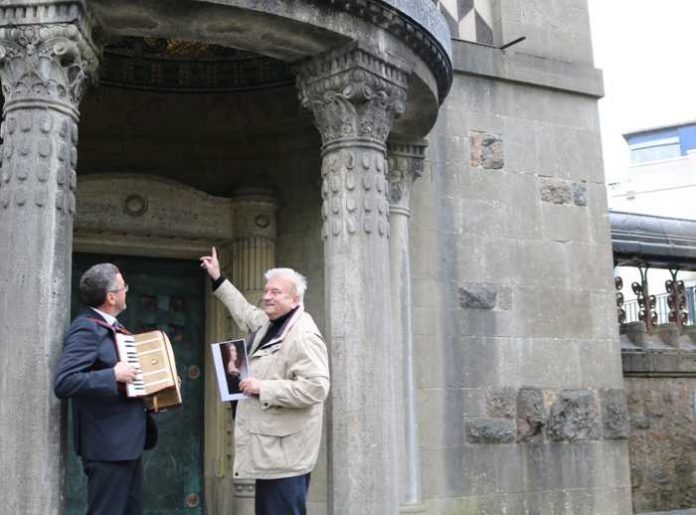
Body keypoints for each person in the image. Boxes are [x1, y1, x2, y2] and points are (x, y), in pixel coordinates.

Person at [200, 247, 330, 515]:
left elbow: (316, 388)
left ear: (295, 299)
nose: (267, 297)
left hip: (286, 455)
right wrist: (218, 278)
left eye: (275, 292)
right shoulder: (270, 324)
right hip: (271, 451)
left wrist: (263, 387)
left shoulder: (303, 335)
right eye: (267, 290)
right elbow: (245, 312)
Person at [54, 263, 155, 515]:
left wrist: (157, 387)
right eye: (124, 288)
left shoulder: (114, 328)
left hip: (128, 443)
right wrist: (112, 374)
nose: (126, 292)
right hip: (107, 448)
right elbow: (65, 381)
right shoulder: (86, 328)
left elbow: (127, 383)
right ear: (111, 297)